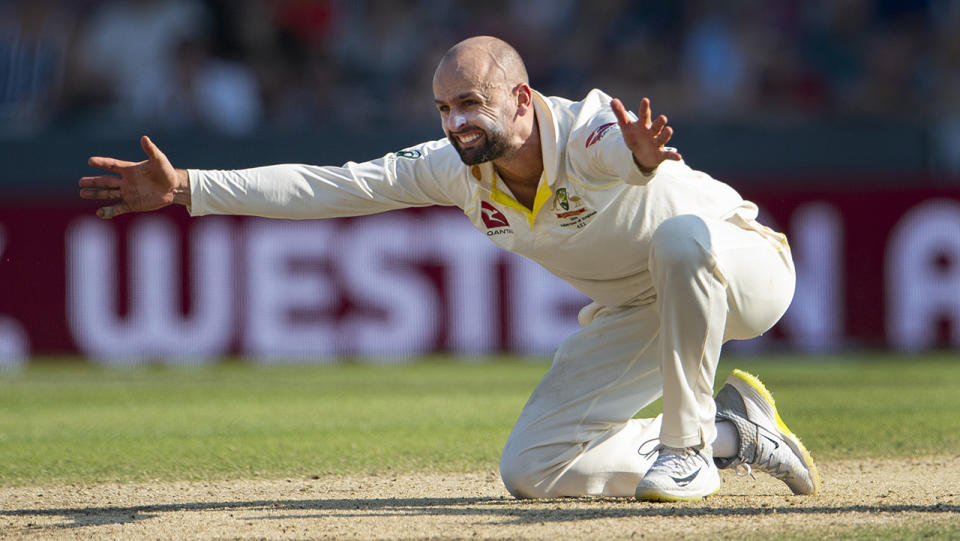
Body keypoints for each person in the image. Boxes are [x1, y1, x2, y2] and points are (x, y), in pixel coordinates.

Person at [79, 36, 820, 501]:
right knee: (533, 468)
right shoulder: (453, 168)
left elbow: (614, 154)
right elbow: (333, 184)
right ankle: (732, 433)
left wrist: (640, 156)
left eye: (471, 102)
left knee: (681, 236)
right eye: (443, 108)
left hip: (742, 266)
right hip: (644, 308)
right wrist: (190, 188)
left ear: (522, 100)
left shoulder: (592, 129)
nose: (455, 121)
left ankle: (687, 453)